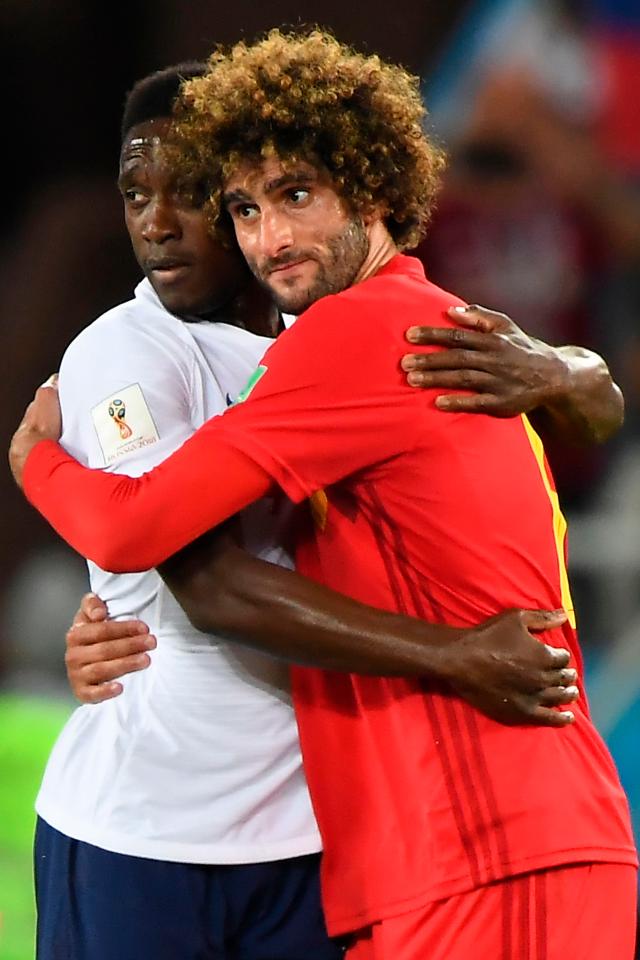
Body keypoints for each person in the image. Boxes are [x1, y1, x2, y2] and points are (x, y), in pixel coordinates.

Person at [11, 30, 636, 959]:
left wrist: (34, 461)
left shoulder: (349, 337)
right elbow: (192, 574)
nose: (272, 234)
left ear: (374, 189)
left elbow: (139, 524)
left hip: (483, 831)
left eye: (295, 195)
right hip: (389, 839)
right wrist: (569, 371)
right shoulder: (366, 327)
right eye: (249, 206)